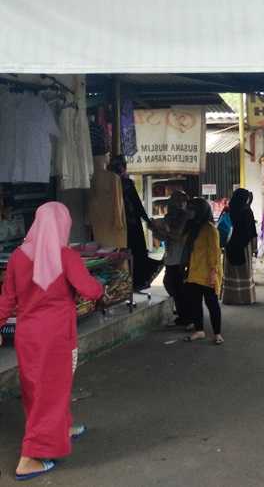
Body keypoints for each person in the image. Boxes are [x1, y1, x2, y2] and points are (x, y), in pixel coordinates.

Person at [0, 202, 104, 481]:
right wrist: (100, 285)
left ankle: (60, 429)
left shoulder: (17, 257)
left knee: (37, 390)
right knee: (52, 392)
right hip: (57, 337)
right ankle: (30, 457)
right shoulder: (66, 256)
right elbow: (90, 291)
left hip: (28, 336)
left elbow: (6, 299)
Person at [108, 155, 162, 290]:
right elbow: (137, 205)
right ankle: (136, 282)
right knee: (136, 253)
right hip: (131, 225)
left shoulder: (108, 184)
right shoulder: (126, 183)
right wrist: (147, 221)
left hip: (114, 227)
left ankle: (124, 284)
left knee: (123, 256)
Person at [184, 198, 224, 345]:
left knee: (212, 303)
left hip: (208, 273)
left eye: (192, 209)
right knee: (195, 303)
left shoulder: (210, 229)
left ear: (200, 211)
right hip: (194, 272)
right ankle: (199, 330)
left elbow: (215, 252)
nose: (189, 211)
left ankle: (217, 334)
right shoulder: (193, 227)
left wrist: (213, 273)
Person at [150, 191, 190, 326]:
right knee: (171, 284)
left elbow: (177, 236)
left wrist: (163, 229)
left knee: (177, 286)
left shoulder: (184, 216)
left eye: (178, 200)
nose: (174, 203)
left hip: (181, 256)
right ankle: (183, 313)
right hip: (171, 255)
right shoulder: (170, 216)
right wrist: (154, 229)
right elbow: (163, 237)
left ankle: (185, 315)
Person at [222, 188, 258, 305]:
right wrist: (255, 247)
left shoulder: (228, 209)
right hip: (244, 245)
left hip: (230, 244)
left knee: (231, 271)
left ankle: (230, 297)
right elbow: (252, 231)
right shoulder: (247, 211)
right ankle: (245, 298)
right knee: (244, 272)